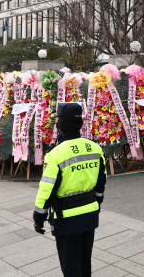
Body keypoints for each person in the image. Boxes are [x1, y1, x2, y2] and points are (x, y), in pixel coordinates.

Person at [33, 102, 106, 277]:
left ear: (63, 123)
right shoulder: (94, 147)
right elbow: (101, 182)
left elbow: (47, 189)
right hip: (90, 215)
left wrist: (39, 217)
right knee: (84, 263)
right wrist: (97, 201)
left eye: (57, 119)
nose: (56, 123)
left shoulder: (56, 154)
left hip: (67, 218)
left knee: (71, 268)